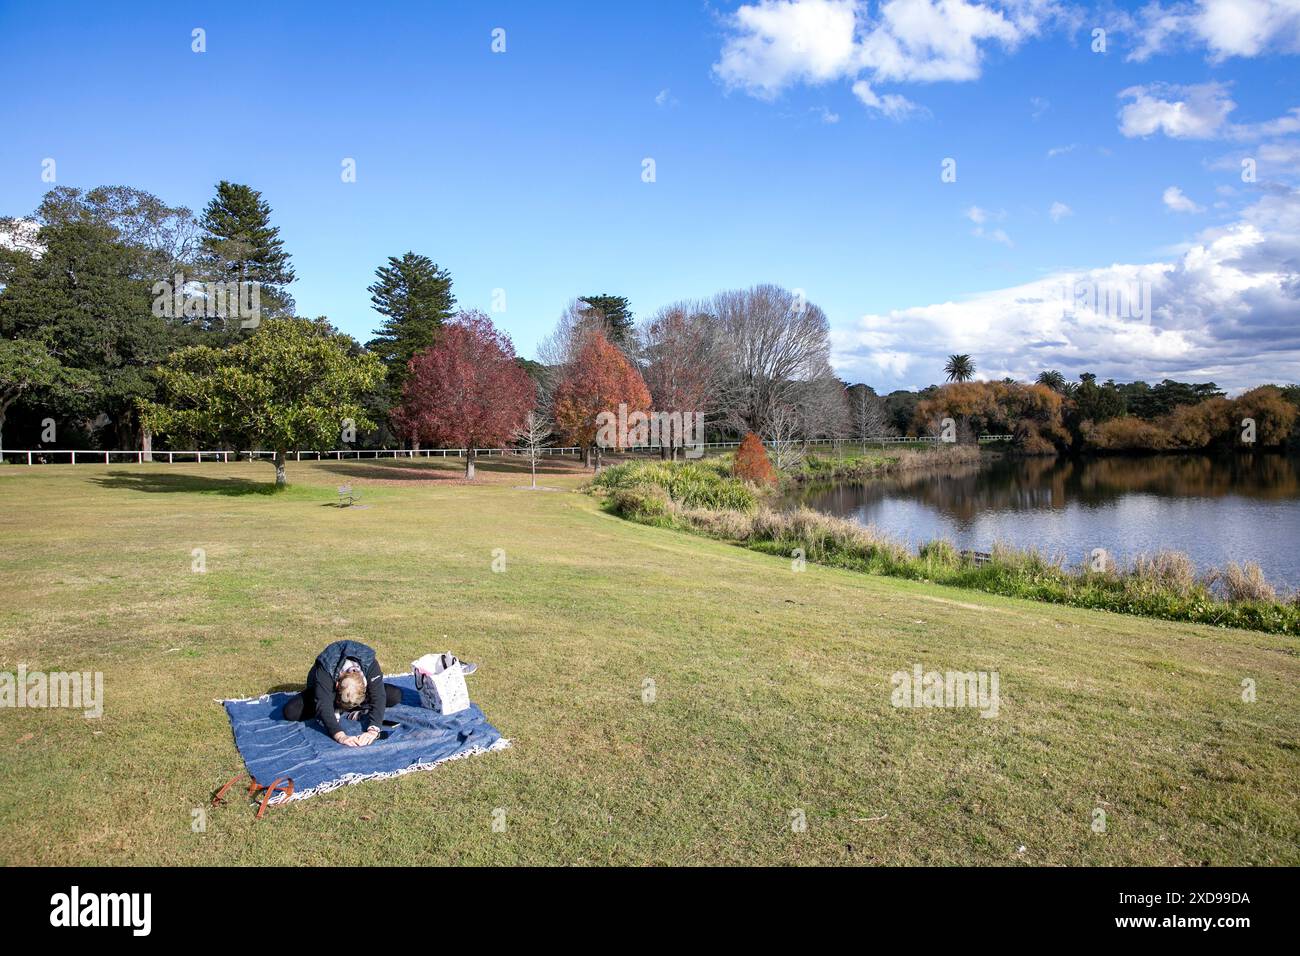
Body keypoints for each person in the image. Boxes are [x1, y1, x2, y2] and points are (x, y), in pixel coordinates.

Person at [282, 639, 401, 747]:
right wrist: (340, 735)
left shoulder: (369, 663)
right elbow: (323, 705)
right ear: (337, 684)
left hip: (354, 695)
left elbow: (378, 696)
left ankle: (351, 707)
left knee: (394, 695)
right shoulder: (326, 667)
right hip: (329, 694)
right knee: (291, 711)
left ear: (365, 686)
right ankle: (342, 707)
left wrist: (373, 730)